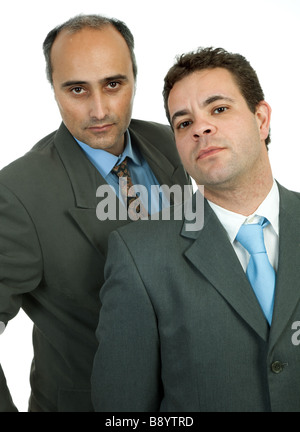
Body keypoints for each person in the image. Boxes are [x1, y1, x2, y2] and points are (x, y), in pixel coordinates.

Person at [91, 47, 300, 412]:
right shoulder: (139, 255)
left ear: (261, 119)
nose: (201, 128)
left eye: (219, 109)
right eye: (184, 123)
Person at [0, 14, 190, 412]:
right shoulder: (17, 193)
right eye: (76, 89)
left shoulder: (173, 143)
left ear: (135, 78)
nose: (99, 109)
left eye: (113, 84)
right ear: (53, 89)